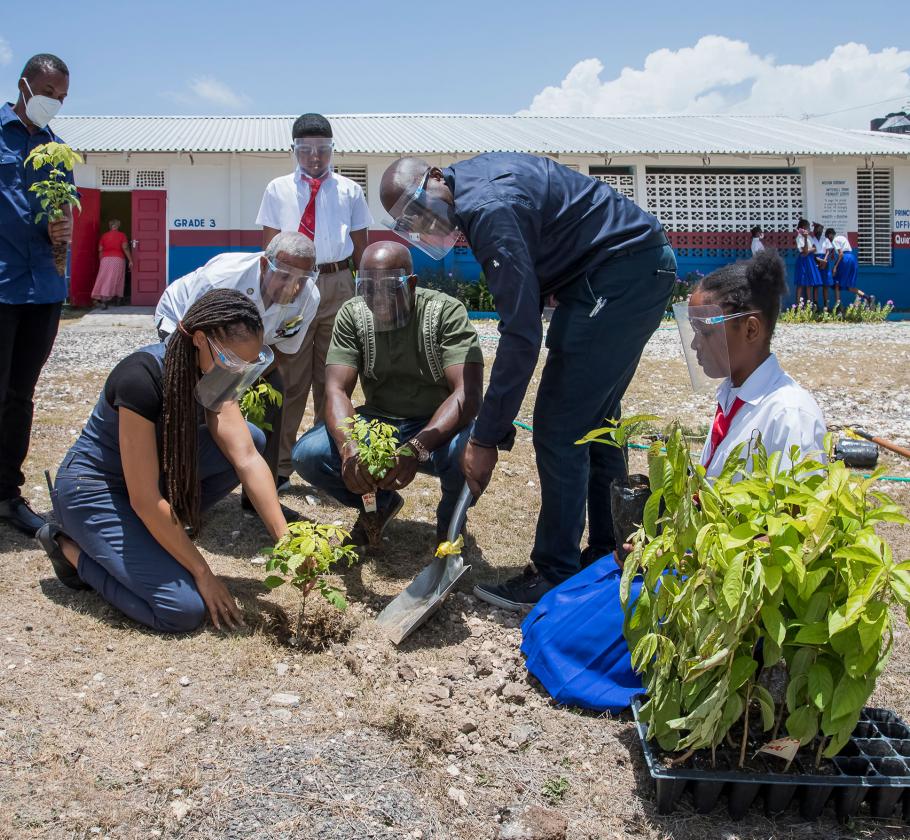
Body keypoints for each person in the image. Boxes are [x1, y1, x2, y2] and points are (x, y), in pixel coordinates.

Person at [521, 250, 827, 711]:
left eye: (704, 331)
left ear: (750, 328)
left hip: (726, 586)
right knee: (552, 612)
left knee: (567, 644)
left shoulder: (789, 415)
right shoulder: (734, 394)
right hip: (693, 559)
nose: (696, 345)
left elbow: (794, 534)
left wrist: (680, 555)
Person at [379, 153, 677, 609]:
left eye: (420, 208)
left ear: (436, 177)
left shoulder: (488, 209)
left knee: (560, 424)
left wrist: (485, 438)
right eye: (411, 220)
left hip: (621, 274)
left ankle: (555, 573)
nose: (423, 222)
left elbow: (521, 334)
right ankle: (608, 556)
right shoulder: (476, 187)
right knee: (596, 422)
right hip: (623, 270)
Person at [36, 289, 290, 633]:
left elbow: (246, 457)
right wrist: (203, 572)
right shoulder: (142, 377)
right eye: (232, 363)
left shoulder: (214, 376)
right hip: (96, 489)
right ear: (200, 339)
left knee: (252, 438)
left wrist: (287, 541)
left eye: (247, 366)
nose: (237, 374)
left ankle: (157, 534)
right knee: (181, 609)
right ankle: (68, 548)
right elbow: (143, 498)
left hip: (147, 485)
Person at [292, 241, 483, 547]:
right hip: (381, 424)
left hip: (438, 427)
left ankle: (449, 529)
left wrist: (416, 448)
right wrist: (349, 450)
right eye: (366, 287)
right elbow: (336, 389)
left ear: (412, 283)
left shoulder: (445, 313)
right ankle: (379, 505)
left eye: (387, 288)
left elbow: (467, 394)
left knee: (466, 453)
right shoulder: (353, 315)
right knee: (308, 454)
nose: (376, 298)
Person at [155, 232, 320, 502]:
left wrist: (243, 381)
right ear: (265, 265)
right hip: (184, 327)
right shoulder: (223, 278)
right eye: (286, 276)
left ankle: (258, 497)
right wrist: (220, 388)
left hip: (247, 351)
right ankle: (179, 485)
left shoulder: (310, 298)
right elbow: (192, 338)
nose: (295, 287)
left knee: (273, 392)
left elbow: (282, 352)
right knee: (193, 397)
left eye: (303, 279)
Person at [256, 113, 373, 491]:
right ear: (293, 150)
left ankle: (323, 460)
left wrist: (367, 297)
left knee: (334, 379)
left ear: (332, 150)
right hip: (295, 285)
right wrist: (272, 294)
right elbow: (270, 247)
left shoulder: (350, 191)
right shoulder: (277, 189)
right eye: (305, 150)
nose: (315, 158)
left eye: (323, 150)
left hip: (338, 284)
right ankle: (281, 465)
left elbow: (361, 248)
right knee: (289, 377)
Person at [0, 53, 72, 537]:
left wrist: (65, 226)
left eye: (62, 98)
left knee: (20, 395)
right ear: (25, 86)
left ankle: (7, 494)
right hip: (2, 285)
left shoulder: (57, 150)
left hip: (42, 289)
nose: (54, 104)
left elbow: (65, 210)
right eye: (49, 94)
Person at [91, 219, 132, 308]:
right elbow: (125, 247)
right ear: (118, 226)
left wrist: (101, 260)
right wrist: (130, 260)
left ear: (110, 226)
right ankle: (117, 299)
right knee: (118, 279)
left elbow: (100, 250)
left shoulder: (104, 236)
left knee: (105, 278)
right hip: (118, 259)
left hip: (105, 260)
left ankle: (104, 299)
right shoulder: (122, 235)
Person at [828, 228, 862, 307]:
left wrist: (835, 266)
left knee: (836, 281)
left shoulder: (834, 240)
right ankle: (868, 298)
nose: (828, 240)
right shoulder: (841, 238)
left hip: (845, 259)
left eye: (828, 237)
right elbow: (839, 248)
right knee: (848, 286)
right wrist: (833, 253)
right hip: (852, 258)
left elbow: (841, 254)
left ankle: (838, 306)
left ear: (830, 235)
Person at [794, 218, 820, 308]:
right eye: (808, 227)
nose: (809, 229)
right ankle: (798, 306)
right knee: (800, 283)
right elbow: (804, 251)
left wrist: (807, 250)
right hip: (803, 261)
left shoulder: (809, 237)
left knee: (809, 283)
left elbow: (814, 248)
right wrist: (805, 241)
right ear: (804, 227)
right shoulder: (799, 237)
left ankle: (809, 305)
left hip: (809, 260)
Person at [812, 222, 833, 309]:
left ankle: (826, 306)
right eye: (817, 229)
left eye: (820, 229)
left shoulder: (826, 239)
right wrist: (820, 261)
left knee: (825, 285)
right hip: (815, 260)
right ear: (814, 230)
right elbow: (812, 253)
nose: (819, 231)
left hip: (825, 261)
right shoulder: (812, 239)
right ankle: (815, 306)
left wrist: (824, 260)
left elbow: (828, 251)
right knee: (816, 285)